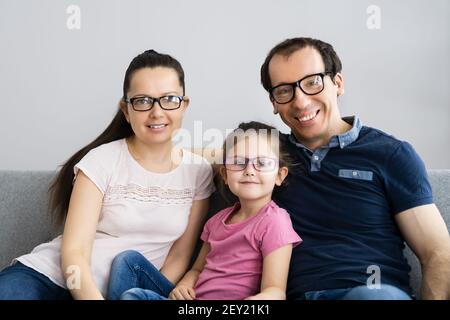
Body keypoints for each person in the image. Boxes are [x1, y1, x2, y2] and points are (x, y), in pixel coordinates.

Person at [0, 50, 215, 300]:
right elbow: (75, 251)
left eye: (168, 99)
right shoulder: (101, 160)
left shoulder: (198, 171)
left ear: (183, 105)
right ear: (126, 109)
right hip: (49, 280)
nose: (157, 112)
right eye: (143, 101)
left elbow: (179, 256)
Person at [259, 37, 450, 300]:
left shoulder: (390, 154)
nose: (300, 102)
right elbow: (209, 161)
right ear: (273, 102)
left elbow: (438, 252)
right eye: (283, 90)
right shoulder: (266, 156)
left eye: (313, 82)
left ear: (338, 83)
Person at [107, 121, 302, 300]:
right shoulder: (216, 221)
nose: (249, 170)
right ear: (225, 174)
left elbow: (275, 291)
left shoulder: (274, 222)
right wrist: (183, 285)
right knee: (128, 261)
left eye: (262, 163)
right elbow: (197, 269)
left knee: (134, 296)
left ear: (279, 175)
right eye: (239, 162)